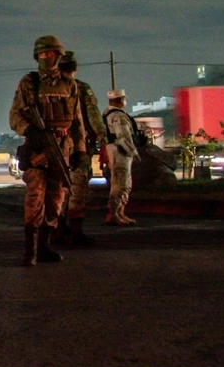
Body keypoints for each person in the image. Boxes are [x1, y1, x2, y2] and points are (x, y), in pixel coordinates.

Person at [9, 35, 85, 266]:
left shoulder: (69, 85)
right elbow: (15, 116)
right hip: (38, 149)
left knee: (56, 199)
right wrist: (30, 131)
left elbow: (77, 121)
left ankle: (44, 245)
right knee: (35, 197)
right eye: (42, 55)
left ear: (59, 56)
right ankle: (30, 250)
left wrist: (80, 149)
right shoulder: (30, 82)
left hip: (62, 149)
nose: (46, 59)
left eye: (51, 54)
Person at [57, 51, 103, 245]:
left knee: (57, 189)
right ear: (75, 68)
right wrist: (105, 139)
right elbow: (93, 118)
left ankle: (57, 230)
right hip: (78, 147)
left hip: (54, 148)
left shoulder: (43, 88)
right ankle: (75, 232)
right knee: (78, 187)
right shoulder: (81, 88)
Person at [103, 89, 138, 225]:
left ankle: (119, 212)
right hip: (120, 151)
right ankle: (115, 213)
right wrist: (133, 152)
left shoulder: (107, 113)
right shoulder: (118, 115)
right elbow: (124, 136)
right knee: (122, 183)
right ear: (120, 100)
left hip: (113, 150)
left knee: (119, 182)